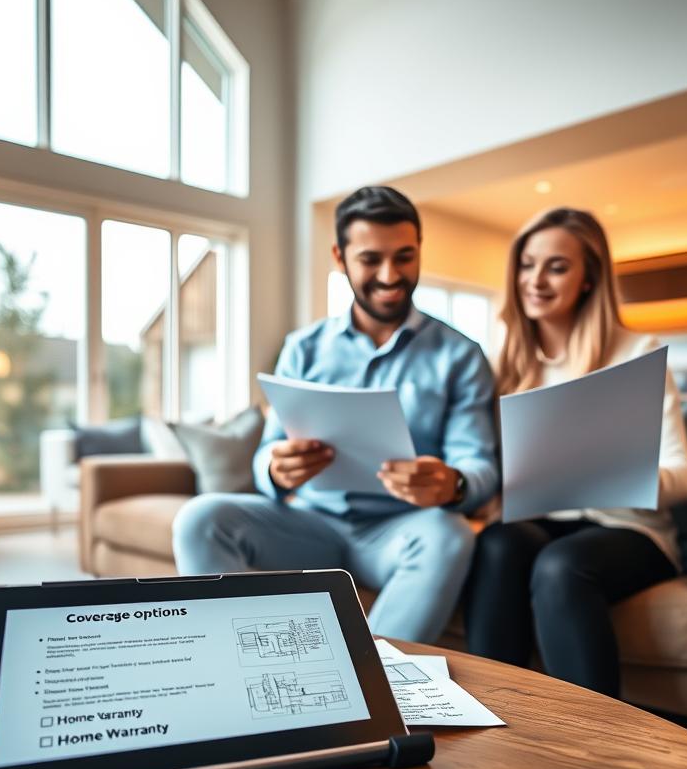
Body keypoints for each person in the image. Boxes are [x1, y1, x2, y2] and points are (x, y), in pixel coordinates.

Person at [172, 186, 499, 644]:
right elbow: (267, 453)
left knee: (451, 534)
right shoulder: (303, 348)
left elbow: (480, 465)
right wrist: (276, 469)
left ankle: (371, 683)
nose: (390, 275)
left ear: (419, 251)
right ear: (339, 257)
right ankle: (240, 663)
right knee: (200, 519)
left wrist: (454, 482)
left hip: (402, 529)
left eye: (404, 257)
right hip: (309, 524)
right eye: (371, 259)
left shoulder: (461, 356)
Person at [464, 207, 687, 696]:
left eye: (557, 266)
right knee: (496, 544)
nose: (536, 280)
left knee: (561, 566)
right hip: (544, 520)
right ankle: (488, 707)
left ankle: (594, 738)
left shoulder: (636, 352)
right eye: (527, 265)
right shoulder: (503, 363)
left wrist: (616, 473)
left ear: (589, 277)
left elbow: (683, 473)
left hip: (628, 529)